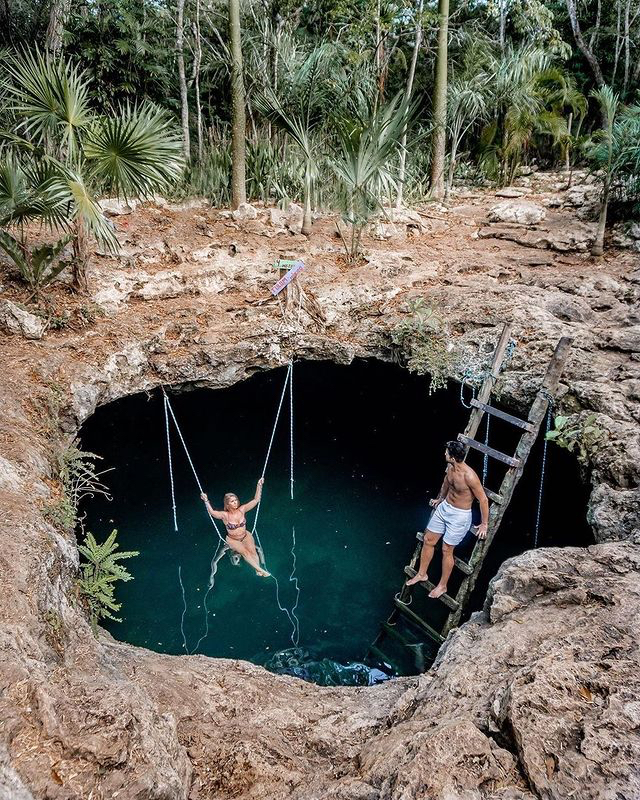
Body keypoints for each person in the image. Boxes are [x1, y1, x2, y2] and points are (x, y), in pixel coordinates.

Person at [406, 440, 489, 598]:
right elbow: (446, 483)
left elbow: (483, 500)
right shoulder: (450, 468)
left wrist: (484, 524)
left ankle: (442, 586)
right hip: (444, 508)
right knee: (428, 539)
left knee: (446, 550)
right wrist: (439, 499)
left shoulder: (469, 476)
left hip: (460, 515)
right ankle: (422, 573)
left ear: (453, 457)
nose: (444, 453)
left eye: (447, 452)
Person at [200, 478, 270, 577]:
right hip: (233, 540)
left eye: (236, 500)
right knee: (245, 553)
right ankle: (260, 570)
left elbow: (256, 500)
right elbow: (212, 513)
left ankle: (257, 570)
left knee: (253, 552)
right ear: (227, 504)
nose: (235, 502)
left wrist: (259, 485)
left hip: (246, 535)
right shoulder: (225, 515)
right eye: (232, 501)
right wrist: (206, 500)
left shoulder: (242, 509)